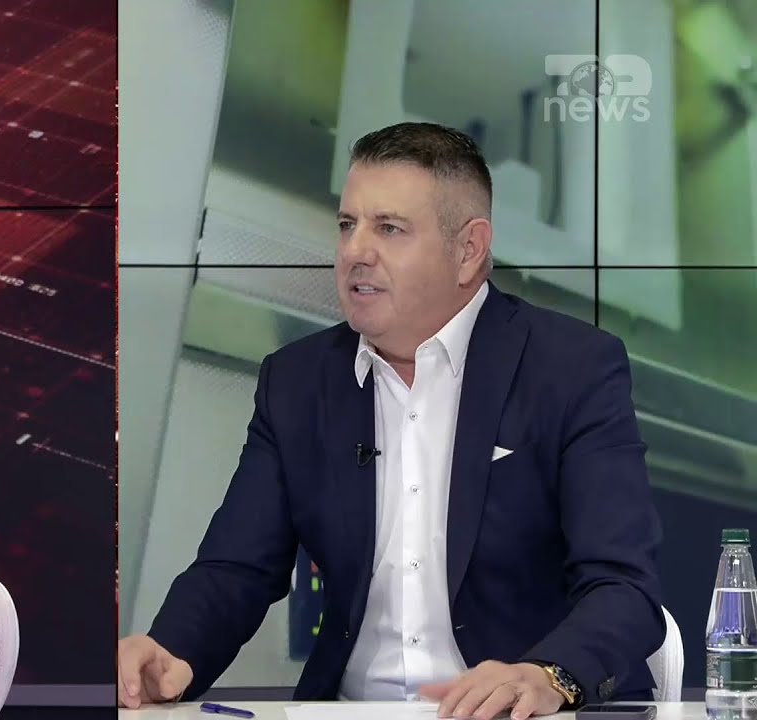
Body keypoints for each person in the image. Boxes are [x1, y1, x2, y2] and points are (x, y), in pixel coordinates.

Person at [117, 122, 666, 720]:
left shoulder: (571, 368)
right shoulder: (298, 381)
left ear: (468, 250)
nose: (355, 250)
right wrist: (172, 651)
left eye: (389, 228)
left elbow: (623, 587)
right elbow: (237, 568)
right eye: (347, 224)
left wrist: (546, 676)